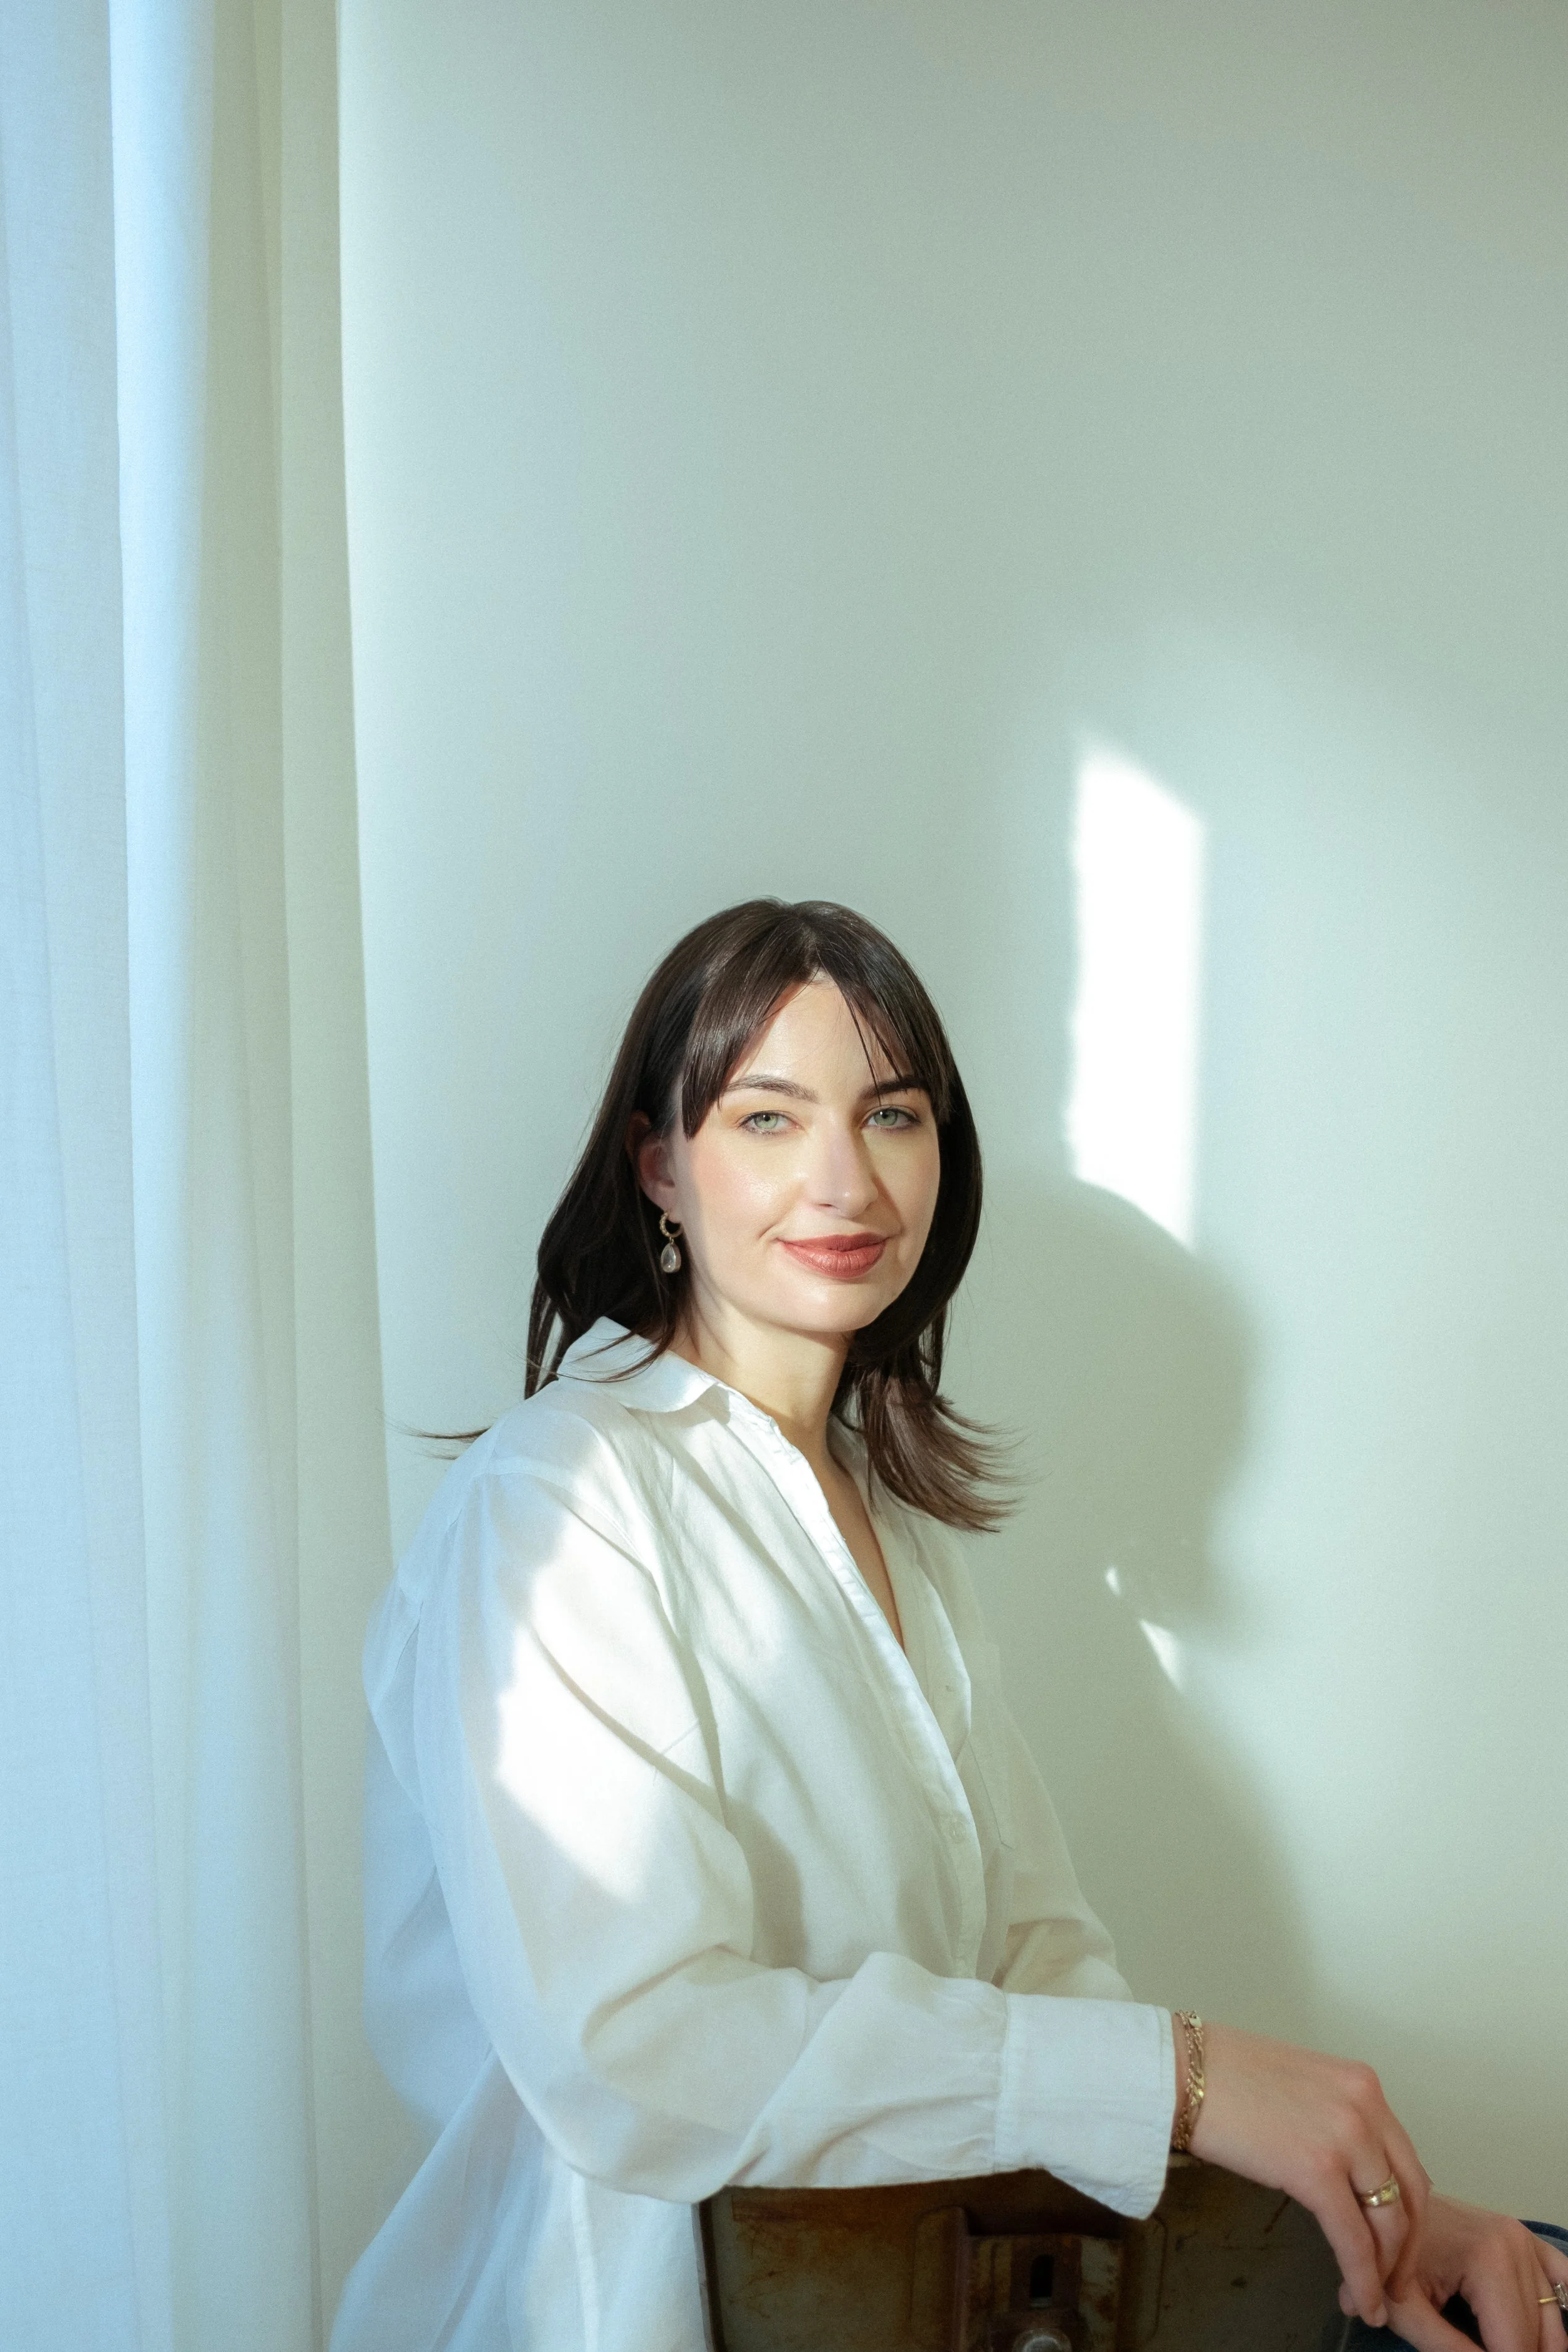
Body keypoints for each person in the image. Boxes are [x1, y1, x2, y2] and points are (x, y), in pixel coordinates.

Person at [331, 898, 1564, 2352]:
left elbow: (1036, 1965)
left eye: (891, 1114)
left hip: (910, 2294)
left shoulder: (887, 1527)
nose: (844, 1181)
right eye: (767, 1120)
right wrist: (1186, 2077)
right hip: (625, 2312)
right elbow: (635, 2051)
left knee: (1526, 2275)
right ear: (660, 1166)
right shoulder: (557, 1501)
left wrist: (1373, 2215)